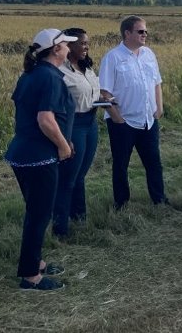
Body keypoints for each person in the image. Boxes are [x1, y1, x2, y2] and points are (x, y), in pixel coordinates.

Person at [5, 28, 77, 291]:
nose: (70, 49)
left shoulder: (31, 74)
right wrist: (62, 146)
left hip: (23, 152)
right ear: (56, 49)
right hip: (39, 156)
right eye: (66, 45)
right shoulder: (49, 77)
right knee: (39, 215)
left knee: (36, 211)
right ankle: (30, 276)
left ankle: (35, 261)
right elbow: (45, 119)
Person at [99, 15, 168, 209]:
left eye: (146, 31)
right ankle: (121, 204)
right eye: (140, 31)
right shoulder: (112, 57)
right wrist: (118, 119)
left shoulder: (148, 54)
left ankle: (160, 199)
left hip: (148, 119)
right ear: (127, 33)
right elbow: (105, 93)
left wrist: (159, 109)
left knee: (154, 162)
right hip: (124, 122)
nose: (145, 34)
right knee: (121, 165)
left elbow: (156, 83)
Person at [53, 27, 101, 238]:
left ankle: (79, 217)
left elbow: (90, 94)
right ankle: (60, 228)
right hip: (74, 125)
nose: (86, 47)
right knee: (68, 178)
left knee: (80, 174)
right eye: (82, 43)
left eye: (87, 43)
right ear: (68, 45)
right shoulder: (59, 71)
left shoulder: (86, 66)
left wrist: (104, 98)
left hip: (91, 122)